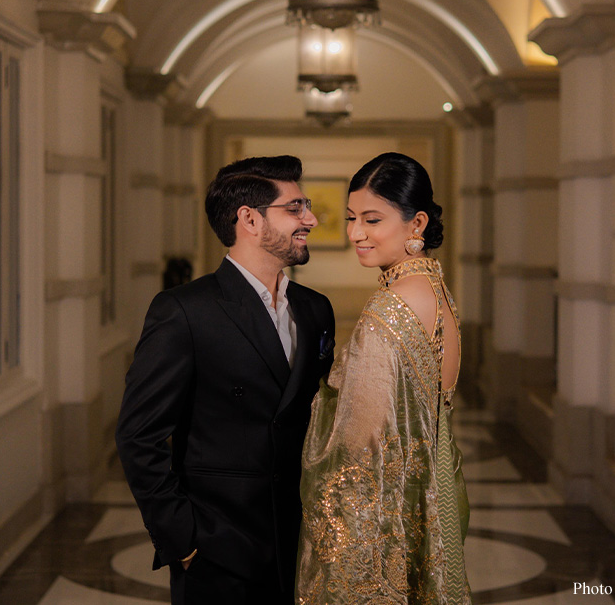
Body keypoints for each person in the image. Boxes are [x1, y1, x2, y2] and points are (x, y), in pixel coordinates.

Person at [116, 155, 336, 605]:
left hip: (303, 547)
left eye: (306, 206)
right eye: (294, 208)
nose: (309, 219)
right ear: (250, 220)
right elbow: (139, 437)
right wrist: (184, 541)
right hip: (219, 552)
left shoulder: (316, 310)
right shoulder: (184, 311)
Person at [296, 152, 471, 604]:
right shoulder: (437, 292)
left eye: (372, 220)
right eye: (352, 218)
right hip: (437, 496)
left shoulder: (388, 310)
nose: (355, 232)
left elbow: (356, 453)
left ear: (417, 224)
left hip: (391, 521)